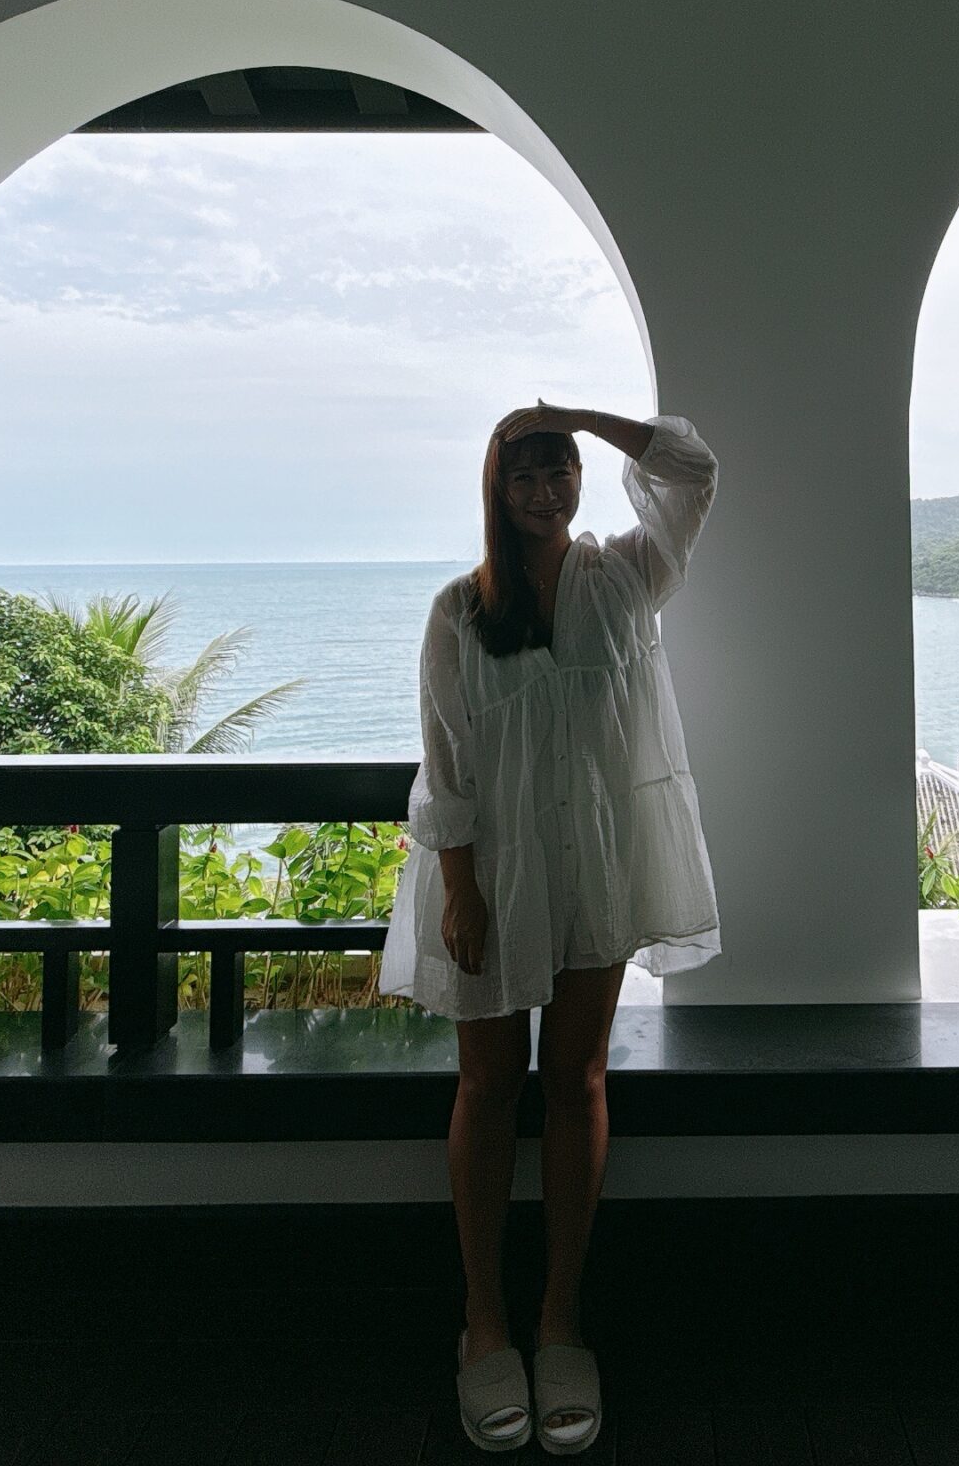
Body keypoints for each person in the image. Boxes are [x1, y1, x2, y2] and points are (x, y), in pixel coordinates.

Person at [375, 402, 723, 1454]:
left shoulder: (627, 577)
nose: (546, 488)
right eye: (525, 472)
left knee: (574, 1083)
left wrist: (571, 412)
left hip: (599, 871)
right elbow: (445, 762)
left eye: (559, 467)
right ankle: (484, 1319)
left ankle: (559, 1316)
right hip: (488, 879)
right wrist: (461, 889)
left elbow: (692, 467)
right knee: (488, 1088)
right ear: (495, 487)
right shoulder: (459, 610)